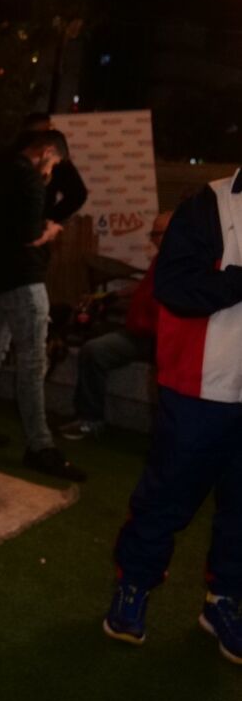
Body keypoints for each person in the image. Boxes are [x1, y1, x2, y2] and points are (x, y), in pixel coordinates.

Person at [102, 168, 242, 664]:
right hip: (199, 387)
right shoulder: (208, 204)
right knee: (165, 498)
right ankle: (134, 587)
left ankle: (224, 600)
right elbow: (175, 286)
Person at [0, 128, 87, 481]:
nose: (52, 172)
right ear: (46, 151)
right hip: (24, 279)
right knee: (32, 363)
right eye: (55, 164)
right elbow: (31, 235)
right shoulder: (30, 180)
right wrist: (51, 230)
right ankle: (39, 446)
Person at [59, 211, 172, 439]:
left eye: (157, 234)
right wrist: (109, 297)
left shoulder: (181, 263)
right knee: (93, 348)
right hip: (137, 333)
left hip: (158, 340)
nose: (152, 240)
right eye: (152, 234)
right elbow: (143, 286)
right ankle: (90, 419)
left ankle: (92, 421)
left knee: (96, 350)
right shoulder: (161, 260)